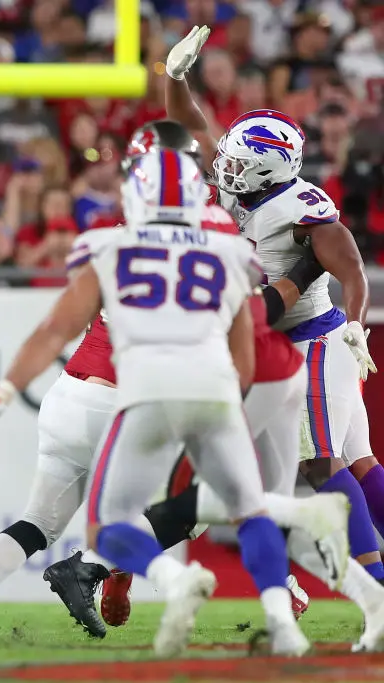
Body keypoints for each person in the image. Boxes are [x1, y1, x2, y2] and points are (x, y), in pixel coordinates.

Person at [0, 122, 334, 640]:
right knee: (195, 505)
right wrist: (304, 270)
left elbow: (54, 328)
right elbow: (249, 330)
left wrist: (4, 390)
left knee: (38, 520)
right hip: (132, 403)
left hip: (68, 397)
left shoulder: (113, 241)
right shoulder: (221, 242)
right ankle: (116, 572)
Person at [164, 25, 384, 588]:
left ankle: (376, 585)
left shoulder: (299, 204)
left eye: (240, 162)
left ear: (271, 167)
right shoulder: (240, 186)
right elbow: (191, 123)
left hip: (313, 338)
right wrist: (174, 78)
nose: (227, 169)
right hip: (280, 342)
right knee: (360, 466)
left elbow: (352, 269)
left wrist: (357, 325)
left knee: (320, 465)